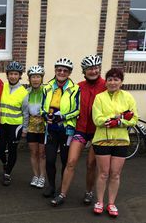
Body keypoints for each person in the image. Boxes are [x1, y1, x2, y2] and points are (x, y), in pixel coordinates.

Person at [51, 55, 106, 206]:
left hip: (98, 131)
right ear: (84, 71)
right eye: (89, 68)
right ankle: (62, 194)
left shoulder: (106, 85)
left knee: (90, 164)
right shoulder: (78, 86)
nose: (93, 71)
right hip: (80, 129)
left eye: (95, 68)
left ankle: (89, 192)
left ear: (99, 69)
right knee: (71, 161)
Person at [92, 68, 138, 217]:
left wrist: (118, 122)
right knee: (103, 173)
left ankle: (111, 203)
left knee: (115, 174)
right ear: (106, 82)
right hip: (102, 140)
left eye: (116, 79)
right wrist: (112, 118)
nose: (113, 82)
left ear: (121, 82)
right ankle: (99, 201)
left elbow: (134, 119)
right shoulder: (99, 97)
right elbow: (97, 119)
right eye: (110, 79)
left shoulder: (128, 97)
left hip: (121, 141)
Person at [41, 57, 80, 198]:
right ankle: (51, 186)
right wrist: (44, 115)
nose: (61, 72)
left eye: (65, 70)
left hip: (66, 130)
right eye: (59, 70)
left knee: (65, 160)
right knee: (50, 160)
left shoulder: (75, 89)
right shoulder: (47, 87)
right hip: (51, 129)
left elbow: (77, 110)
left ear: (69, 73)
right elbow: (42, 107)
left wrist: (63, 117)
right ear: (55, 71)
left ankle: (62, 188)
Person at [0, 61, 29, 186]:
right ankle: (5, 163)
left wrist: (25, 129)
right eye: (11, 74)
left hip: (15, 126)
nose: (13, 76)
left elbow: (25, 113)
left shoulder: (23, 92)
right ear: (7, 74)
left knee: (12, 150)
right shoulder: (3, 87)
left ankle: (7, 174)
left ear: (19, 75)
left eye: (16, 74)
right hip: (3, 124)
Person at [25, 65, 46, 188]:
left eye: (38, 76)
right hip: (31, 124)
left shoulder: (46, 92)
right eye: (33, 77)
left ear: (41, 78)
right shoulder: (27, 93)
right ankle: (36, 175)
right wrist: (24, 127)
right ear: (29, 79)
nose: (35, 79)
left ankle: (42, 176)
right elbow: (25, 112)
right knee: (33, 152)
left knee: (42, 153)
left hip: (43, 125)